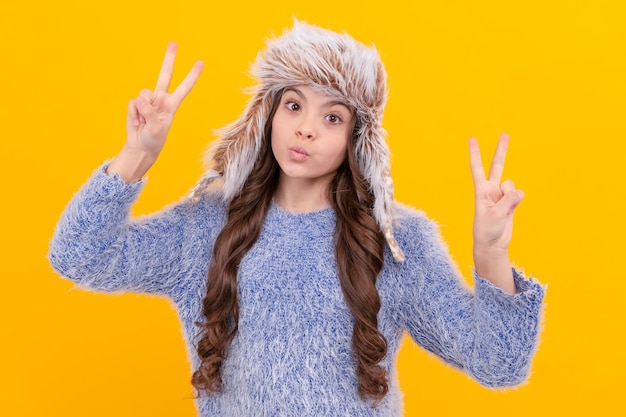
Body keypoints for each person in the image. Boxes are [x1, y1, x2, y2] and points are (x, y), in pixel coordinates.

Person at [49, 20, 545, 416]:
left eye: (332, 117)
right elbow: (78, 256)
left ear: (357, 139)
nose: (305, 129)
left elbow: (498, 365)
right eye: (293, 105)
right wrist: (137, 155)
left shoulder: (395, 241)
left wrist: (490, 252)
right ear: (269, 114)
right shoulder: (207, 226)